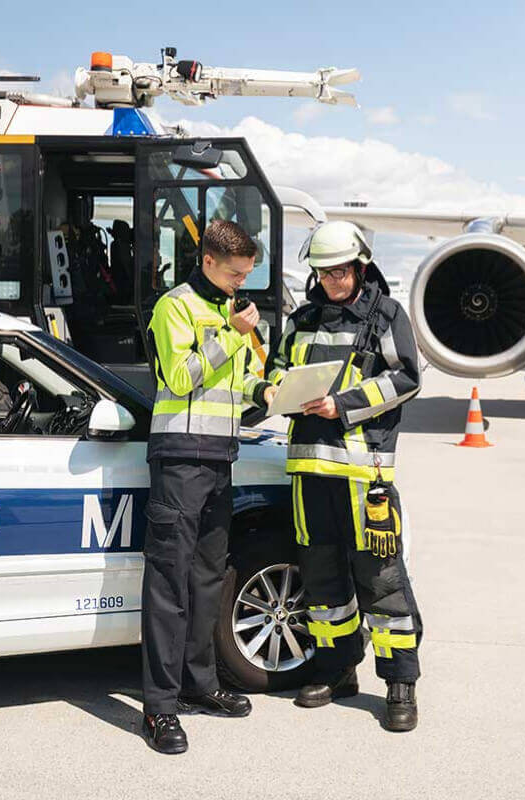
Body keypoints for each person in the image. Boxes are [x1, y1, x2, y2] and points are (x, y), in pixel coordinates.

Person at [262, 220, 423, 732]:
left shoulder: (385, 316)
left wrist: (344, 404)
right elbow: (275, 368)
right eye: (323, 272)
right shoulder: (302, 318)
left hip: (363, 474)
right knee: (322, 578)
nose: (332, 280)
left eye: (340, 270)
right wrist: (275, 391)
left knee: (382, 580)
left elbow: (406, 379)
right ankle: (337, 672)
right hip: (309, 471)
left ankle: (400, 685)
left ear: (360, 265)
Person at [139, 219, 270, 754]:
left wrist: (271, 393)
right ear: (209, 261)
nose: (243, 282)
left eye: (247, 274)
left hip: (220, 459)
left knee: (206, 580)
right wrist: (231, 336)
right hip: (179, 461)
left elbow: (233, 391)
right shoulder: (176, 307)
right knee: (168, 585)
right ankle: (160, 709)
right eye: (237, 272)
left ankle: (200, 684)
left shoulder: (225, 311)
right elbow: (180, 378)